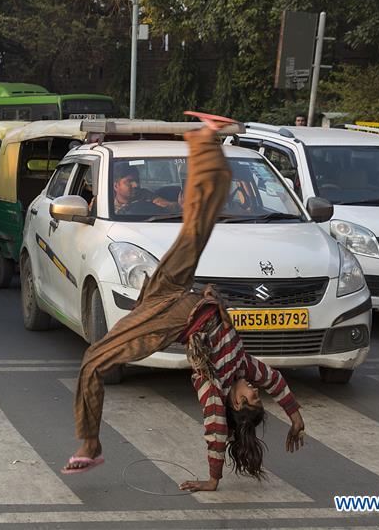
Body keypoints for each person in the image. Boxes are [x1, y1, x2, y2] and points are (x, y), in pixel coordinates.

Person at [62, 120, 306, 492]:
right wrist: (296, 419)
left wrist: (211, 480)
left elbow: (217, 434)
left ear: (236, 404)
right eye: (256, 394)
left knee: (94, 361)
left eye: (249, 399)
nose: (254, 391)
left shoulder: (214, 390)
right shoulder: (247, 368)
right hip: (178, 291)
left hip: (172, 320)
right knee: (196, 228)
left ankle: (91, 444)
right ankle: (206, 144)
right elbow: (279, 383)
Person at [112, 163, 179, 215]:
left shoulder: (144, 195)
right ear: (116, 186)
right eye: (129, 181)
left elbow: (169, 205)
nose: (136, 185)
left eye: (137, 180)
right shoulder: (108, 206)